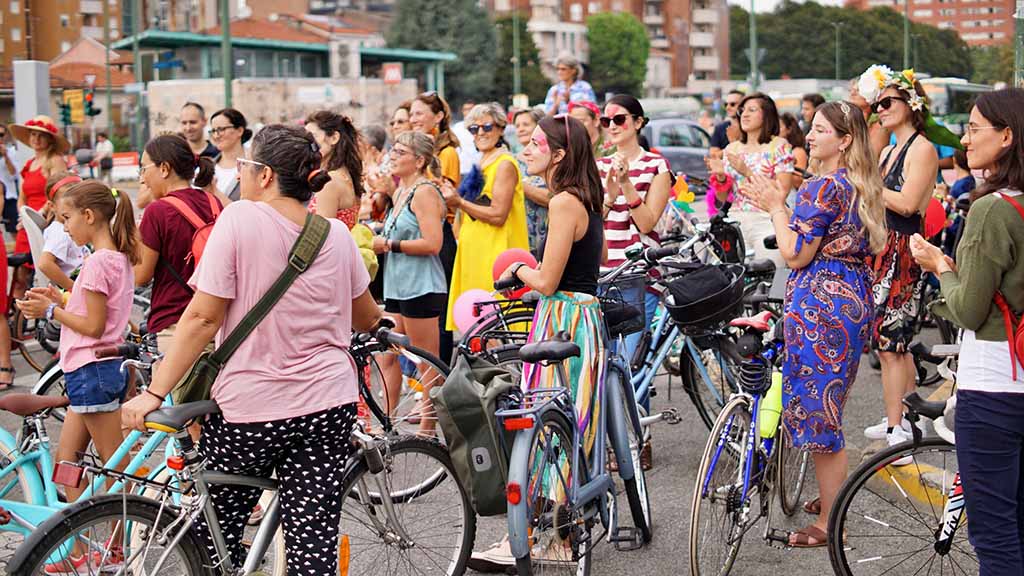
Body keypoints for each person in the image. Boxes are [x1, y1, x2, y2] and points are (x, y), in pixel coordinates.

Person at [121, 124, 382, 575]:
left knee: (213, 533)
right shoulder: (335, 235)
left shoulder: (240, 219)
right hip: (328, 405)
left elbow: (203, 318)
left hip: (252, 409)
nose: (238, 173)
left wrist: (154, 393)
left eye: (244, 165)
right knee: (312, 538)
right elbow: (365, 317)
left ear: (263, 175)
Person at [743, 100, 888, 548]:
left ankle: (831, 523)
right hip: (849, 301)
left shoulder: (820, 189)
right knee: (831, 406)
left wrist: (776, 207)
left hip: (820, 307)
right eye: (812, 127)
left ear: (844, 140)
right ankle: (831, 501)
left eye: (822, 130)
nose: (811, 135)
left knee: (822, 418)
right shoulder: (856, 183)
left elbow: (795, 253)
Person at [473, 113, 606, 571]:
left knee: (547, 424)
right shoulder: (585, 197)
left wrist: (519, 271)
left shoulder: (563, 201)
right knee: (571, 423)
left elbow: (547, 281)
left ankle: (551, 535)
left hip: (563, 318)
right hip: (582, 317)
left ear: (559, 154)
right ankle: (553, 530)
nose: (525, 150)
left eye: (533, 143)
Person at [909, 88, 1024, 576]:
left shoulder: (992, 209)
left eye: (975, 127)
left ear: (1007, 136)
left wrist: (940, 267)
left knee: (995, 534)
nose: (964, 137)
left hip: (996, 383)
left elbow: (970, 310)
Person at [18, 180, 138, 570]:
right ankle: (80, 550)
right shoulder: (112, 257)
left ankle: (116, 546)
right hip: (89, 370)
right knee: (66, 466)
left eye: (67, 218)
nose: (64, 227)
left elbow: (94, 326)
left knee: (115, 469)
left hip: (93, 368)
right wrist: (60, 299)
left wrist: (50, 312)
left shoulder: (100, 260)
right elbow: (94, 314)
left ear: (89, 216)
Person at [856, 67, 940, 453]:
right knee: (891, 343)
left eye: (887, 102)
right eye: (878, 104)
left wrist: (869, 185)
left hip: (906, 250)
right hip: (884, 248)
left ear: (912, 103)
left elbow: (907, 203)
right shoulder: (890, 148)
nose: (880, 109)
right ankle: (903, 415)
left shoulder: (922, 148)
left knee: (893, 343)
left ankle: (897, 425)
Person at [598, 95, 671, 448]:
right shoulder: (596, 166)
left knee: (629, 362)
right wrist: (610, 192)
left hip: (636, 274)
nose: (611, 125)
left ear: (639, 123)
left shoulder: (657, 167)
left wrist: (627, 185)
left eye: (620, 119)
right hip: (599, 273)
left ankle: (638, 440)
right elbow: (591, 222)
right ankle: (614, 440)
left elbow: (647, 222)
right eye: (606, 119)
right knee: (603, 361)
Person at [371, 131, 447, 434]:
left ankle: (428, 429)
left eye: (400, 151)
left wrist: (389, 244)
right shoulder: (401, 190)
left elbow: (433, 243)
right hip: (397, 285)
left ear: (419, 160)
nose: (392, 155)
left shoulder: (424, 191)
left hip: (420, 285)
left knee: (425, 360)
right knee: (387, 356)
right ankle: (386, 424)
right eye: (393, 150)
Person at [134, 133, 221, 363]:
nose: (143, 178)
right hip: (217, 319)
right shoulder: (213, 202)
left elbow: (141, 276)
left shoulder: (158, 211)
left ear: (164, 168)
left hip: (175, 324)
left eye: (144, 168)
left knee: (170, 396)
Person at [444, 102, 529, 332]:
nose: (480, 133)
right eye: (474, 129)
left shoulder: (504, 164)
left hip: (494, 252)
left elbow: (498, 215)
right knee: (480, 325)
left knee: (496, 322)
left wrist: (459, 202)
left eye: (487, 127)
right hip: (476, 251)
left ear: (501, 128)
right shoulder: (482, 162)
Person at [705, 93, 797, 263]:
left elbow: (781, 191)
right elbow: (722, 198)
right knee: (734, 282)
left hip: (768, 221)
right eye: (743, 110)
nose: (744, 115)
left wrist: (746, 171)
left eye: (752, 110)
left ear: (766, 115)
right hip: (736, 221)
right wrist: (721, 178)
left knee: (769, 280)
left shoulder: (778, 146)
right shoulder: (732, 149)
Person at [410, 91, 460, 363]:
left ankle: (439, 376)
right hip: (422, 233)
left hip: (440, 234)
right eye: (412, 115)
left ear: (438, 117)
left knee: (438, 311)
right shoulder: (423, 149)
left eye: (419, 113)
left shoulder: (447, 152)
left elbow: (443, 195)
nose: (413, 119)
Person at [9, 115, 69, 295]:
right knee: (19, 275)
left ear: (50, 139)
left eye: (41, 135)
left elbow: (58, 191)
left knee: (42, 273)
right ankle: (20, 317)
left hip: (45, 222)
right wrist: (23, 214)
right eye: (33, 134)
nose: (36, 139)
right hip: (26, 223)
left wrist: (39, 214)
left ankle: (41, 315)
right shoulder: (29, 164)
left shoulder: (55, 160)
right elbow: (22, 196)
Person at [305, 111, 363, 228]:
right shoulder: (344, 174)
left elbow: (320, 236)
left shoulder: (329, 182)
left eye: (313, 136)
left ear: (334, 138)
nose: (307, 142)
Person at [37, 172, 87, 291]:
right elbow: (45, 264)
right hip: (75, 291)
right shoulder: (60, 232)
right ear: (52, 206)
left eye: (80, 200)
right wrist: (73, 288)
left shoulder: (66, 228)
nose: (76, 206)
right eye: (67, 202)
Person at [513, 108, 550, 256]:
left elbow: (553, 197)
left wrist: (518, 185)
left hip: (545, 241)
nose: (520, 129)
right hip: (520, 240)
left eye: (525, 124)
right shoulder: (511, 161)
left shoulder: (548, 159)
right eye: (517, 126)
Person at [210, 108, 251, 202]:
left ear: (240, 130)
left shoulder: (255, 167)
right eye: (213, 131)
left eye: (221, 129)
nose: (216, 135)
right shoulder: (206, 168)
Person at [848, 78, 892, 159]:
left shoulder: (880, 125)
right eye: (850, 90)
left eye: (858, 90)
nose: (852, 93)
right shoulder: (849, 121)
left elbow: (871, 158)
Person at [452, 100, 483, 179]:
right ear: (462, 111)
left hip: (478, 169)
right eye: (466, 109)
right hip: (461, 169)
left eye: (471, 109)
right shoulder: (457, 128)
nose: (468, 111)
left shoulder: (481, 127)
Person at [709, 89, 745, 156]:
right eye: (726, 104)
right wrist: (733, 147)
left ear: (743, 106)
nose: (728, 107)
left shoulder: (751, 128)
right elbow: (713, 155)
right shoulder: (720, 128)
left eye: (732, 104)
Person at [0, 124, 18, 234]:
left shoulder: (11, 152)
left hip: (9, 197)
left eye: (1, 134)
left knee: (13, 230)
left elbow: (14, 174)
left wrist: (6, 156)